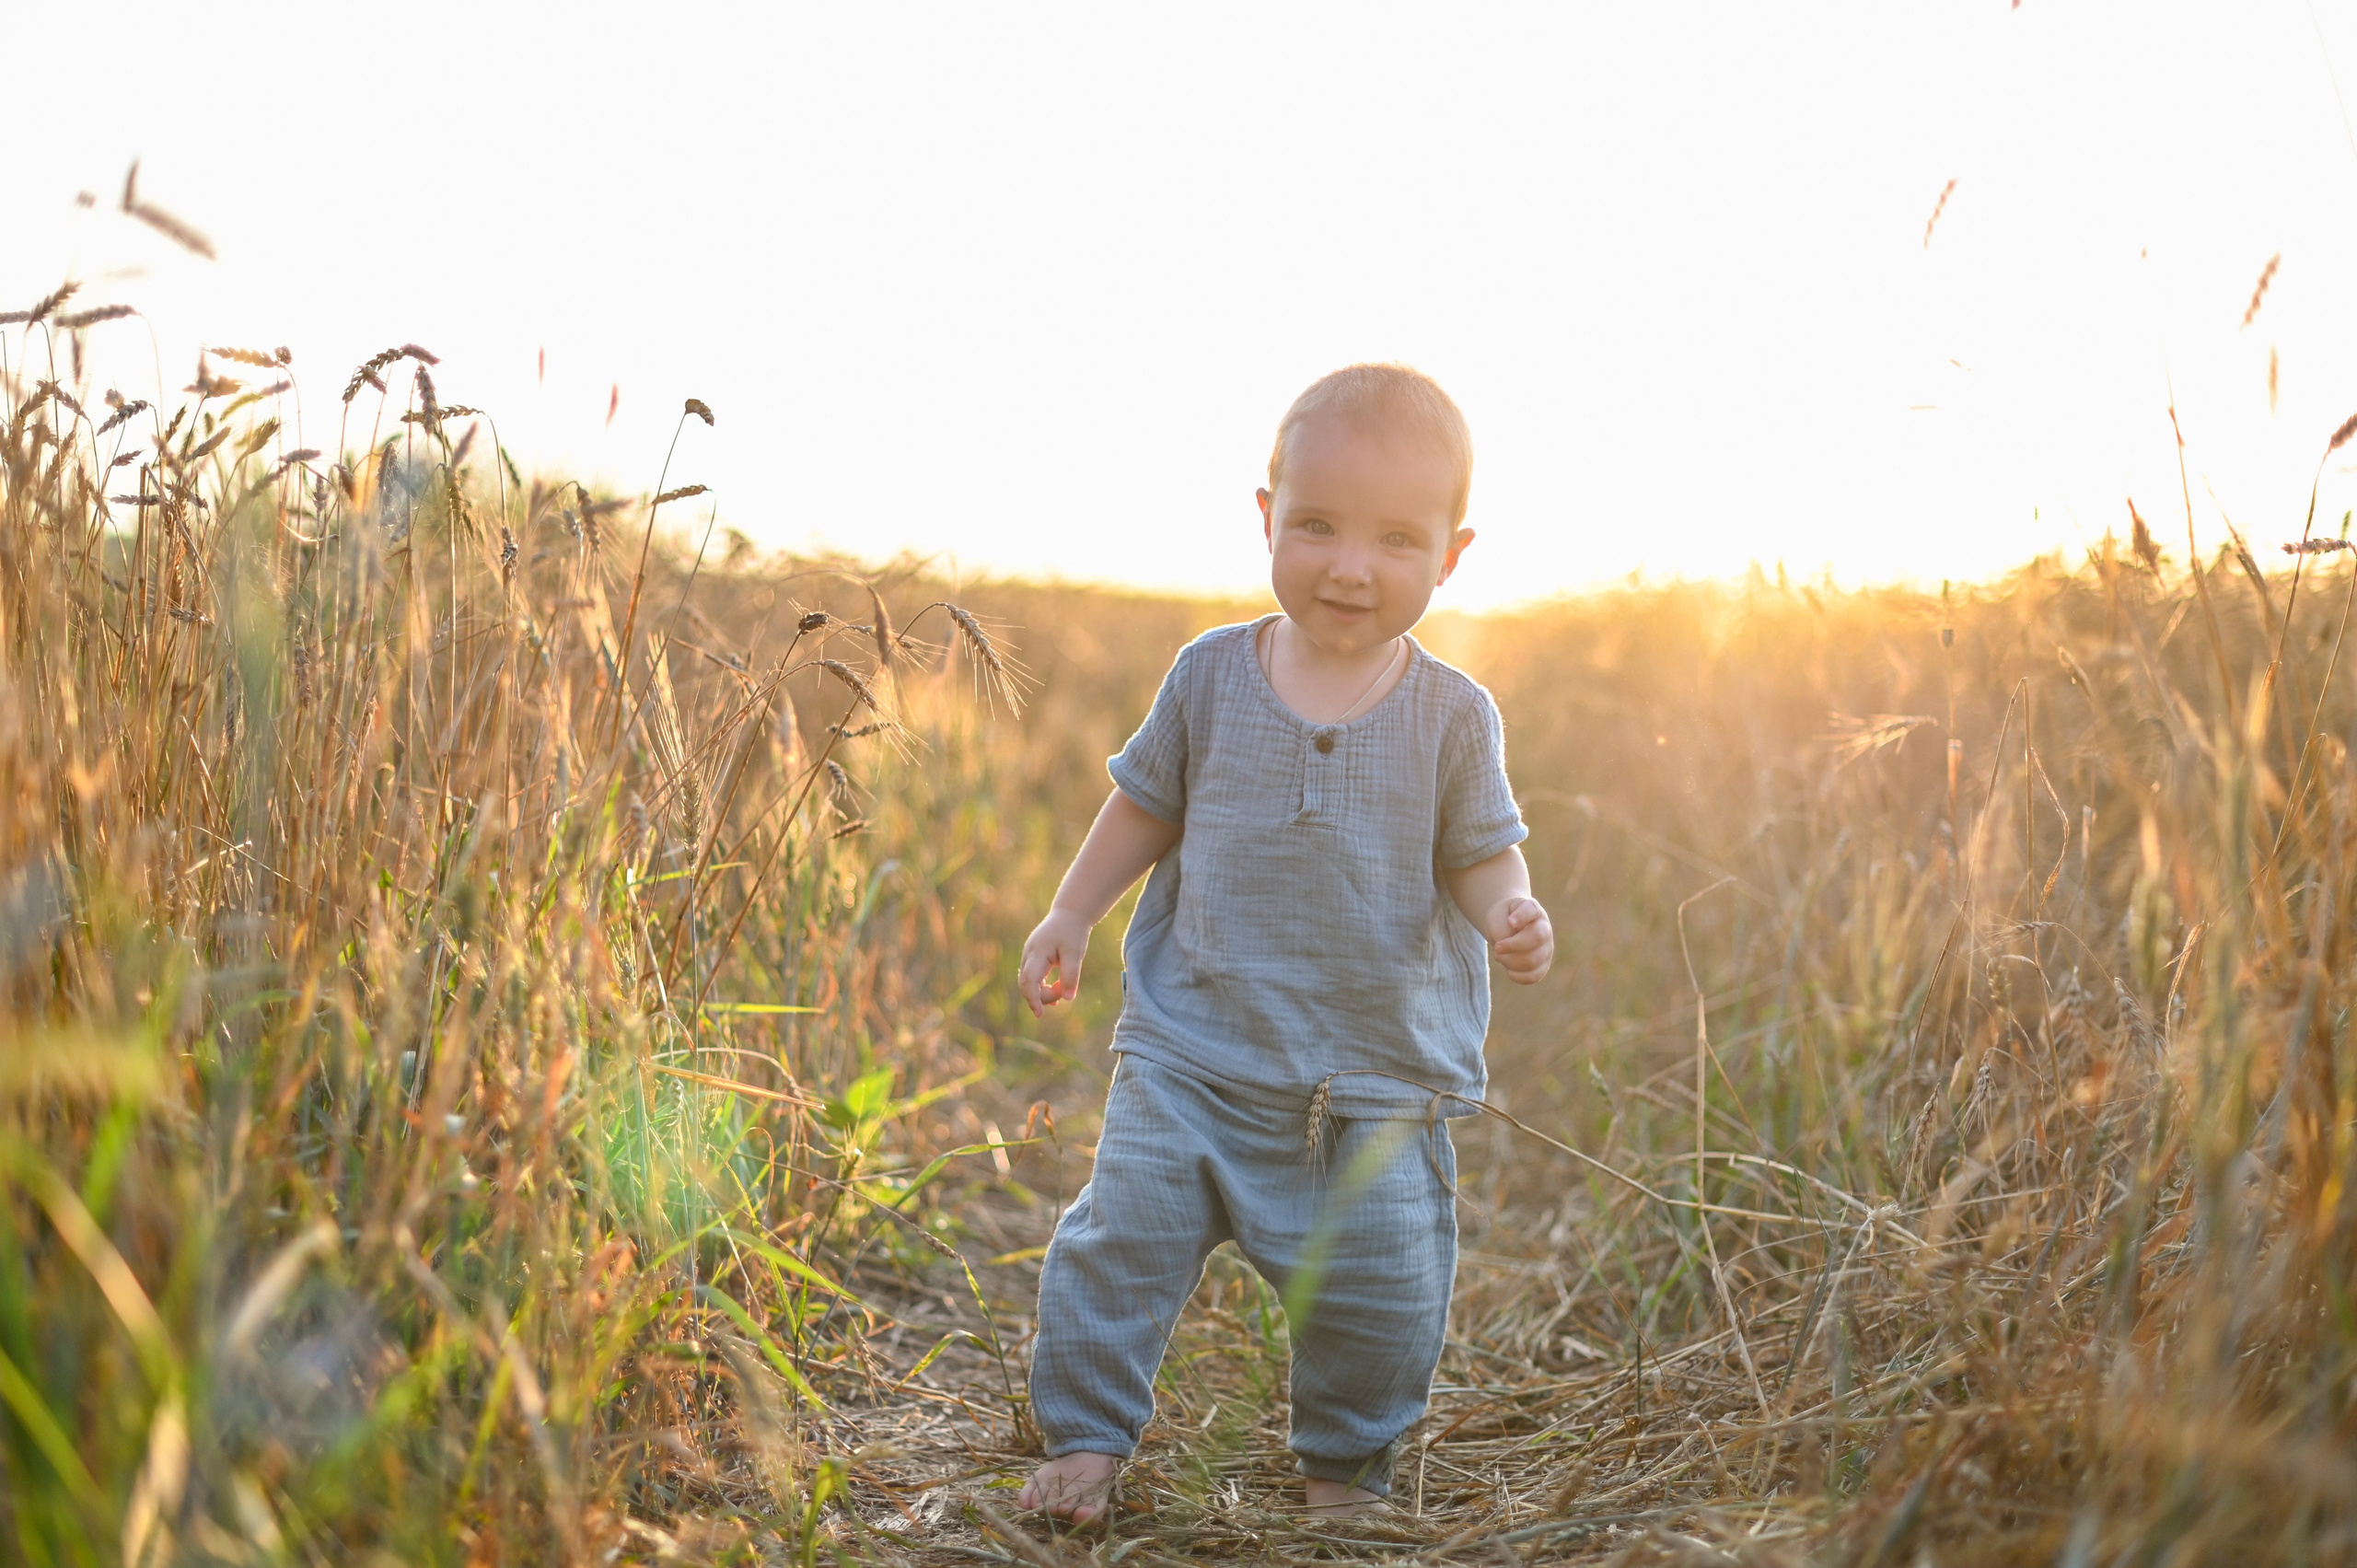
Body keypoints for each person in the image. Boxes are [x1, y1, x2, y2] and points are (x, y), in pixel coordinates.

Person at [1013, 364, 1554, 1524]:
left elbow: (1477, 850)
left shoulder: (1454, 715)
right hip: (1191, 1052)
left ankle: (1344, 1472)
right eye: (1316, 525)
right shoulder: (1210, 674)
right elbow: (1144, 803)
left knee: (1380, 1288)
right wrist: (1072, 910)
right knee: (1120, 1240)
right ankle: (1084, 1441)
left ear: (1451, 555)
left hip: (1368, 1083)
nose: (1350, 566)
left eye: (1394, 539)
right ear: (1266, 516)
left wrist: (1508, 903)